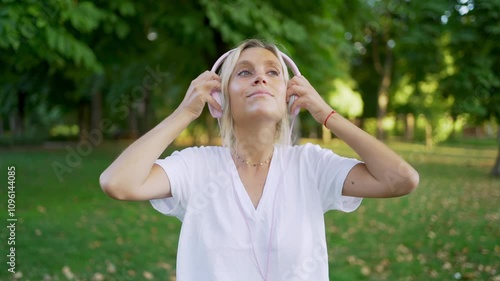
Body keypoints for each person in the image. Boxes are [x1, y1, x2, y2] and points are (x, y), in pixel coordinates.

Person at [99, 39, 419, 281]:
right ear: (220, 100)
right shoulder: (196, 167)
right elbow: (118, 183)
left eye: (272, 72)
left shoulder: (311, 165)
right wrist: (184, 112)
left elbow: (401, 179)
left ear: (289, 98)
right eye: (244, 72)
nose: (260, 79)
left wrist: (326, 115)